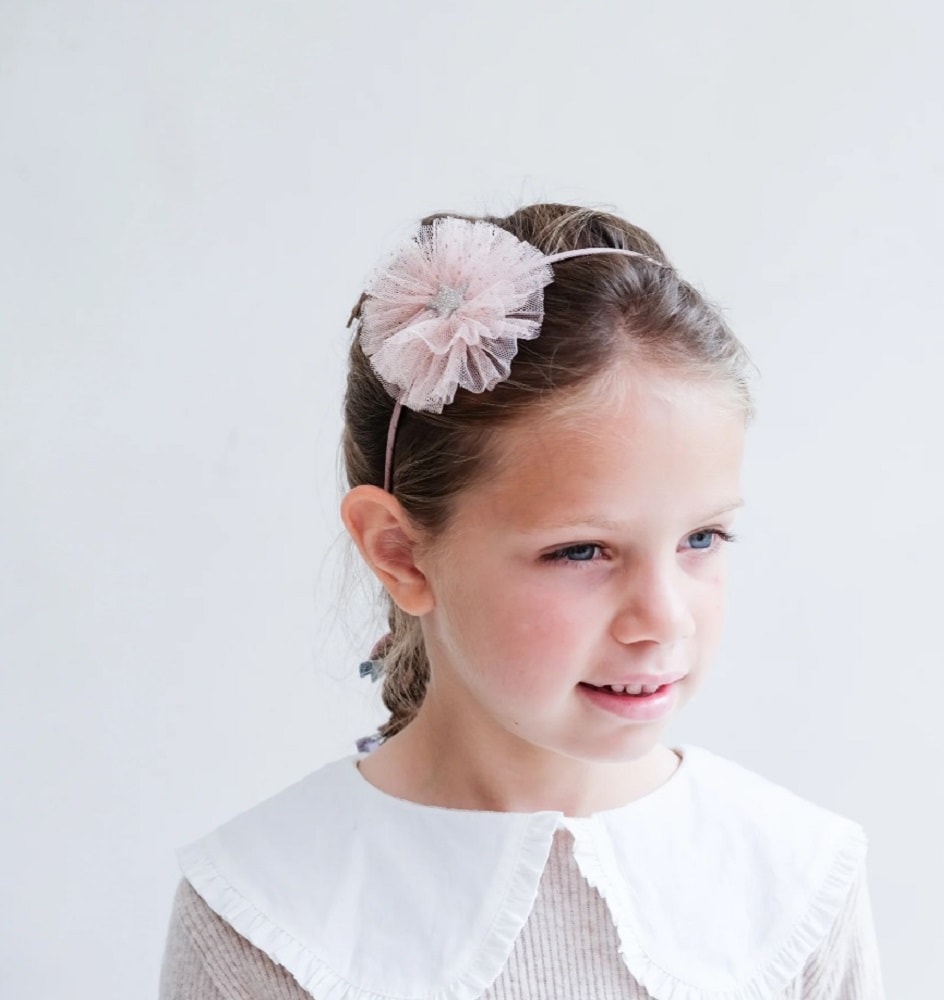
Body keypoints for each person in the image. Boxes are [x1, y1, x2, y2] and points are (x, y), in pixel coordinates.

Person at [160, 204, 885, 999]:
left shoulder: (794, 885)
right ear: (400, 553)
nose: (665, 620)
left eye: (702, 540)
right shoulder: (265, 909)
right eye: (582, 551)